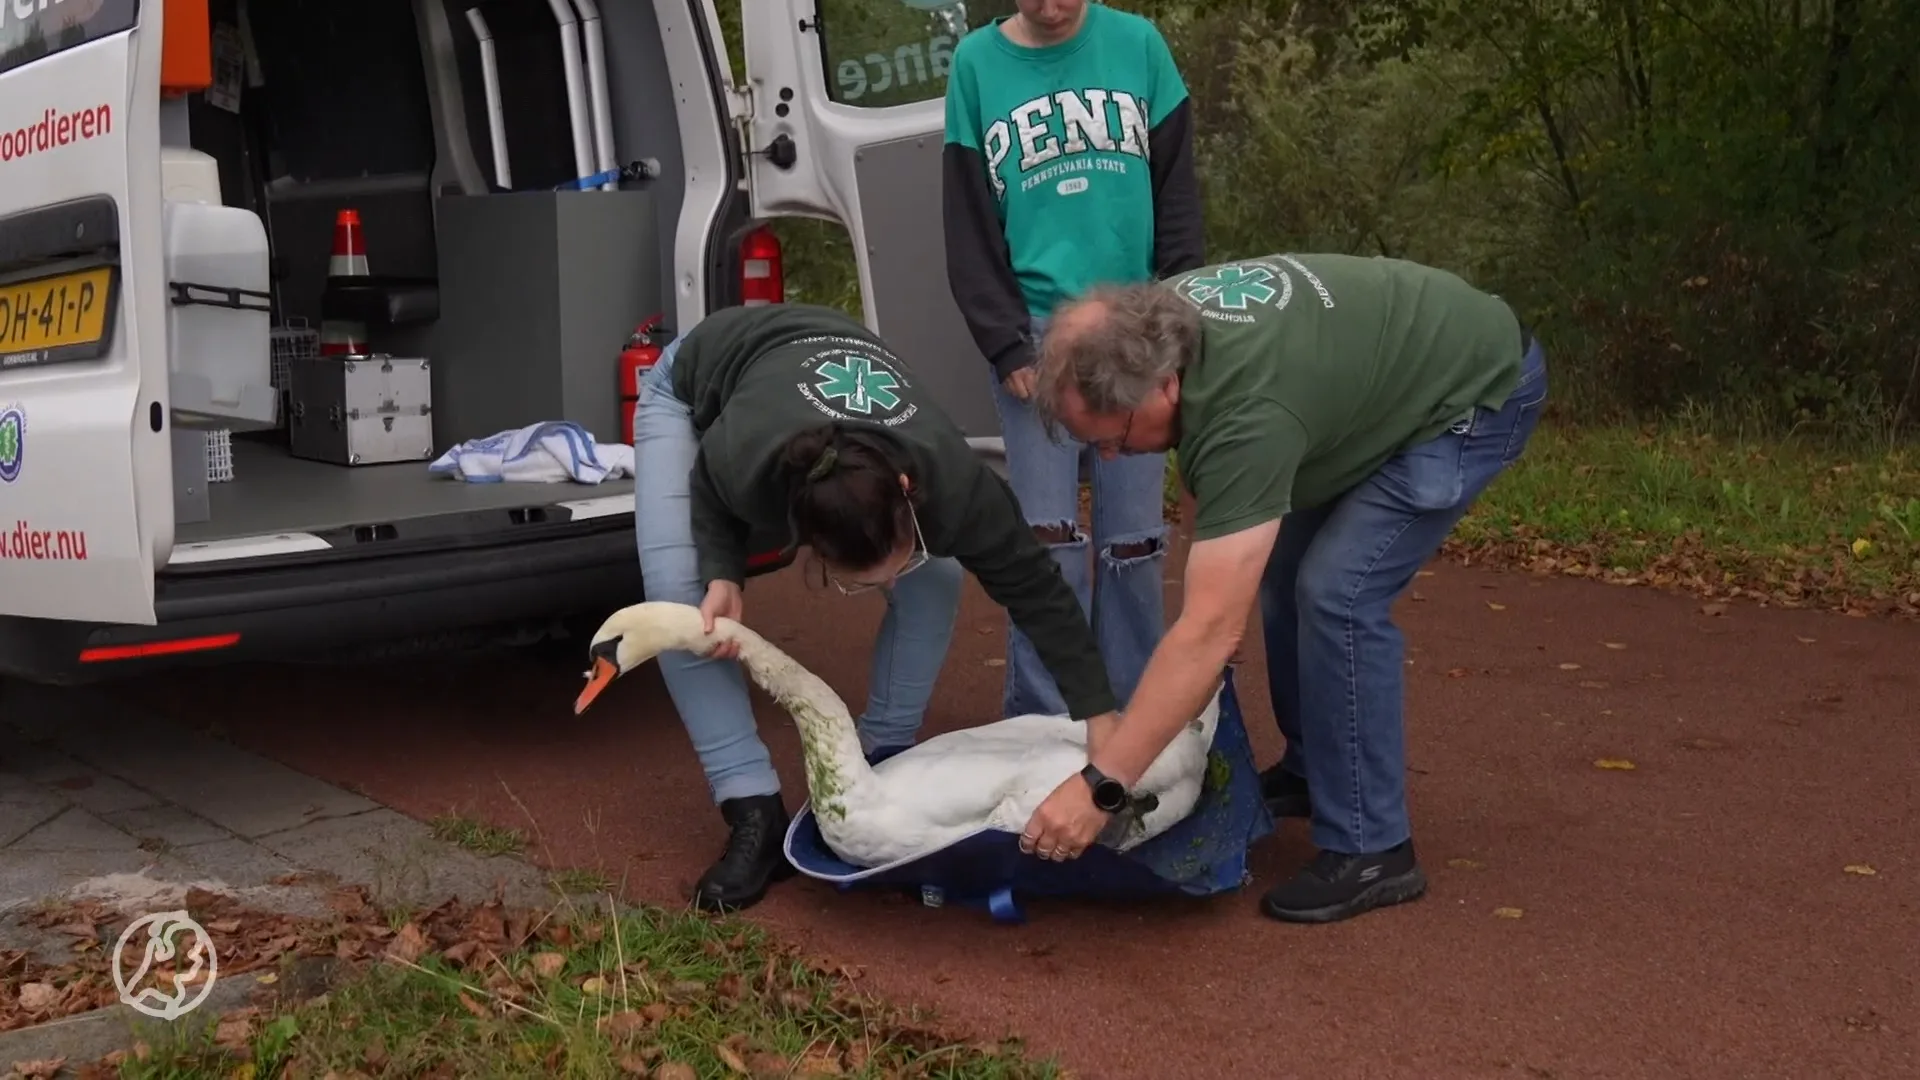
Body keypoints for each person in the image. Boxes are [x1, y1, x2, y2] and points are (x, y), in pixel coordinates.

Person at [1015, 252, 1549, 925]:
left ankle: (1375, 849)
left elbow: (1210, 631)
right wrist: (1207, 619)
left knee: (1337, 592)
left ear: (1164, 388)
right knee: (1280, 569)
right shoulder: (1155, 329)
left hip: (1471, 391)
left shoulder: (1247, 412)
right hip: (1386, 367)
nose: (1112, 458)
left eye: (1114, 439)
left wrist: (1102, 788)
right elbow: (1211, 501)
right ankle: (1315, 768)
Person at [630, 301, 1123, 913]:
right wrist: (722, 570)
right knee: (683, 605)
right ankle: (750, 805)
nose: (889, 578)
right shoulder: (746, 461)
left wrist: (1099, 715)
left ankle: (878, 756)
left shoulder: (958, 483)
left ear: (907, 493)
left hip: (822, 362)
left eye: (898, 554)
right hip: (694, 380)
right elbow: (707, 482)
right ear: (805, 537)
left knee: (934, 578)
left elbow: (1038, 592)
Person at [941, 0, 1205, 721]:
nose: (1051, 8)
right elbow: (967, 222)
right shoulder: (976, 65)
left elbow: (1177, 195)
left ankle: (1138, 713)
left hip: (1137, 323)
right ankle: (1045, 719)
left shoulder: (1139, 45)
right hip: (1034, 329)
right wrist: (1003, 342)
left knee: (1135, 542)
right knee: (1047, 540)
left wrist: (1181, 315)